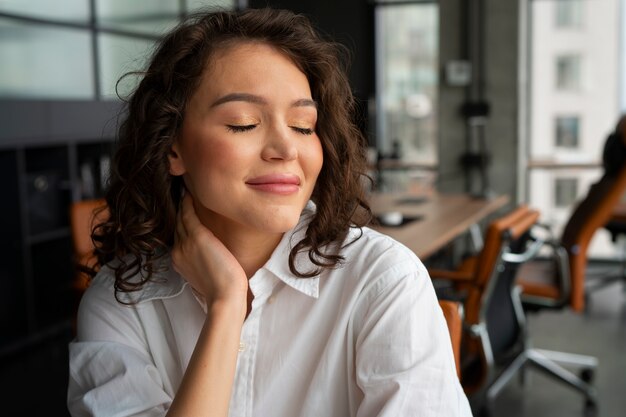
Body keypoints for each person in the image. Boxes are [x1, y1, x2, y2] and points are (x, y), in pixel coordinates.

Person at [67, 8, 472, 417]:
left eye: (303, 125)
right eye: (243, 123)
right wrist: (226, 307)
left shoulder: (383, 282)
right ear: (173, 147)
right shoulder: (121, 300)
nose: (286, 148)